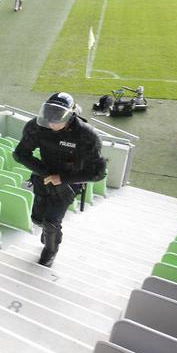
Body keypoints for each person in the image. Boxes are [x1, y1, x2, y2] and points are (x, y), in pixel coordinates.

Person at [13, 93, 107, 267]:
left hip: (69, 183)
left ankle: (51, 250)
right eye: (49, 120)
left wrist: (63, 178)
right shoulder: (36, 127)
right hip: (43, 177)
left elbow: (98, 172)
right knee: (38, 219)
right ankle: (52, 233)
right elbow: (20, 154)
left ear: (70, 116)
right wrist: (45, 172)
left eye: (57, 120)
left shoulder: (86, 135)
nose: (52, 124)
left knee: (51, 221)